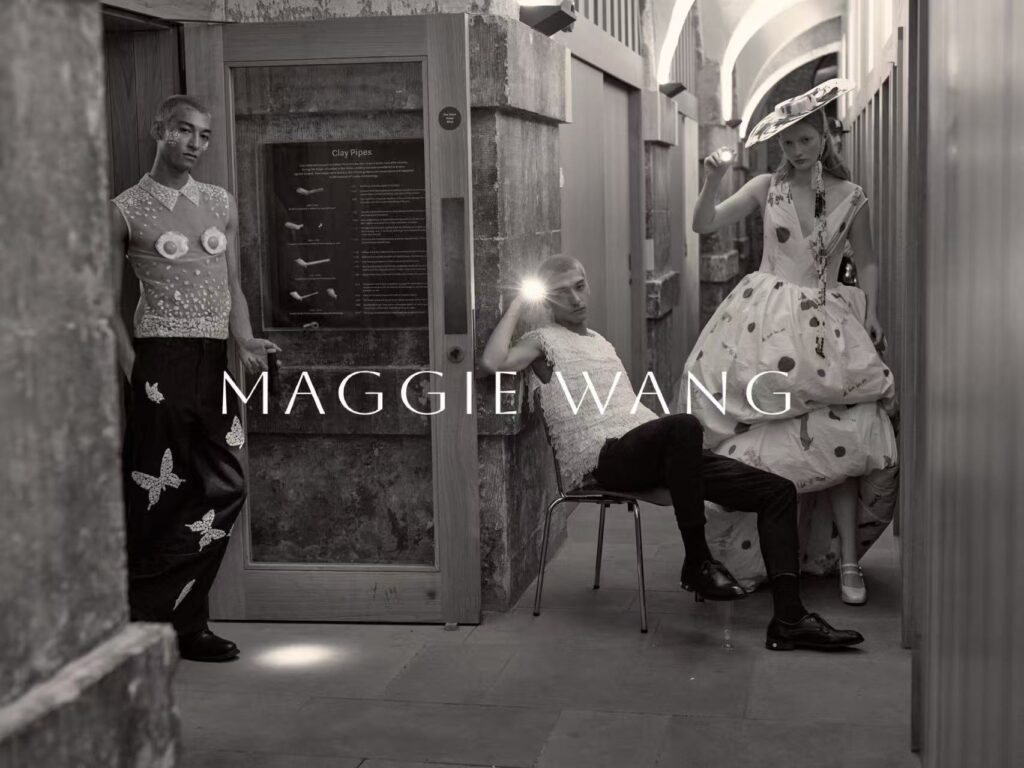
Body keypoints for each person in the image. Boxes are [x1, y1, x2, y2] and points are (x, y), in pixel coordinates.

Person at [480, 255, 863, 651]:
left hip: (649, 450)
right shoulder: (542, 341)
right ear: (547, 301)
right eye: (561, 293)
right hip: (605, 458)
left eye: (579, 286)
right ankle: (697, 560)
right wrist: (520, 302)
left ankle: (789, 619)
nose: (575, 299)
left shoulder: (601, 344)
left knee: (777, 491)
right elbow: (492, 362)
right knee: (684, 425)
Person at [685, 79, 898, 604]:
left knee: (842, 429)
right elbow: (703, 223)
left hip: (826, 321)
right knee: (758, 433)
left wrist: (869, 310)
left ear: (824, 137)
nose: (797, 150)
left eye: (805, 139)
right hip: (762, 320)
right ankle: (763, 553)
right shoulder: (766, 187)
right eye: (788, 142)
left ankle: (848, 561)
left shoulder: (851, 196)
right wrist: (712, 179)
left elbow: (868, 260)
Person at [109, 95, 280, 661]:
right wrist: (136, 374)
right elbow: (104, 307)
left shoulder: (219, 202)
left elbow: (232, 286)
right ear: (159, 129)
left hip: (214, 361)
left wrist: (245, 339)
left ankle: (147, 611)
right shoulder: (124, 209)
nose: (195, 144)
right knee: (158, 496)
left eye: (203, 135)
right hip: (159, 362)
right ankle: (185, 628)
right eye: (184, 131)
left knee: (225, 486)